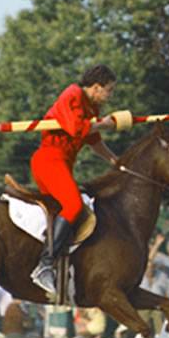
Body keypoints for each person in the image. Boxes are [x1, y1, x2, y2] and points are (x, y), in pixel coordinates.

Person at [30, 65, 120, 295]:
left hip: (62, 164)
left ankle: (61, 261)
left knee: (69, 209)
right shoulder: (73, 95)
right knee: (73, 205)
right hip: (49, 160)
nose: (110, 95)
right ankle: (45, 264)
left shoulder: (92, 105)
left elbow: (93, 139)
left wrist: (113, 160)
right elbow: (76, 129)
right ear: (96, 87)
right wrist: (105, 123)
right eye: (108, 90)